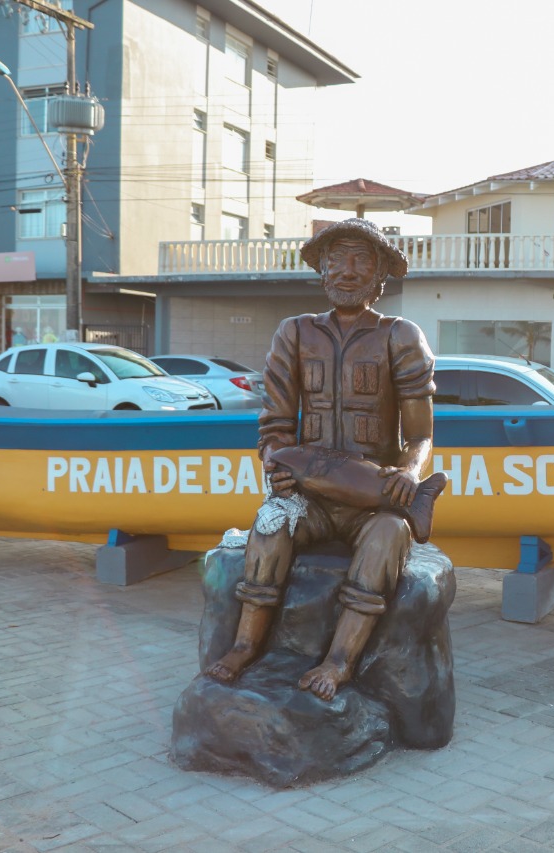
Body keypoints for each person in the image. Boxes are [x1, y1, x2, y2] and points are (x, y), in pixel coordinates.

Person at [204, 218, 446, 701]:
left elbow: (420, 433)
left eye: (361, 259)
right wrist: (276, 464)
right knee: (271, 523)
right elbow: (274, 424)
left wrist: (408, 472)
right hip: (310, 496)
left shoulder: (401, 336)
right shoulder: (294, 334)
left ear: (381, 275)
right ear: (321, 271)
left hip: (371, 499)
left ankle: (338, 662)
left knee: (386, 537)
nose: (348, 271)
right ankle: (246, 645)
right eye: (336, 259)